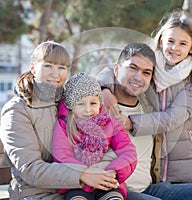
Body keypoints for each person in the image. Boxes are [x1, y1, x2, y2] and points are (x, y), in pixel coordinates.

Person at [97, 42, 192, 200]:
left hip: (149, 189)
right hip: (115, 191)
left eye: (146, 73)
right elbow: (80, 84)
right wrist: (102, 88)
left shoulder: (151, 109)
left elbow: (175, 121)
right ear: (116, 69)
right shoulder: (96, 106)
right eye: (133, 68)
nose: (138, 77)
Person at [0, 41, 120, 199]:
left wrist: (104, 169)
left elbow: (102, 141)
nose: (56, 74)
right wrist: (81, 174)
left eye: (62, 68)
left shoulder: (73, 104)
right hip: (38, 194)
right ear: (33, 68)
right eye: (48, 65)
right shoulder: (17, 109)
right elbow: (30, 169)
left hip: (82, 190)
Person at [52, 72, 137, 200]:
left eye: (93, 103)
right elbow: (61, 155)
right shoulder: (64, 125)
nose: (88, 110)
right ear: (70, 105)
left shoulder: (110, 124)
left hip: (107, 182)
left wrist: (113, 171)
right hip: (78, 185)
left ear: (100, 104)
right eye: (80, 104)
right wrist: (86, 174)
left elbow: (129, 152)